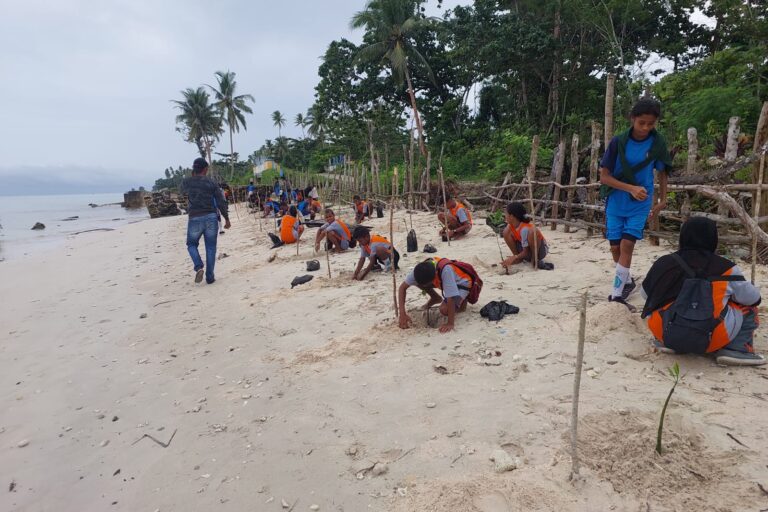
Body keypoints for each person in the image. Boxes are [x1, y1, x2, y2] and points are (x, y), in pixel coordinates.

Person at [641, 218, 764, 366]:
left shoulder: (665, 262)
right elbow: (754, 298)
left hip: (665, 330)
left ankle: (668, 341)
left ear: (683, 237)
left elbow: (645, 295)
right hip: (712, 337)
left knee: (660, 300)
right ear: (714, 240)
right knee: (748, 308)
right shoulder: (726, 267)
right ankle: (737, 349)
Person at [600, 98, 672, 308]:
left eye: (651, 124)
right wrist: (630, 188)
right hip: (616, 200)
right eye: (642, 123)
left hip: (641, 202)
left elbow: (663, 171)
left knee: (627, 243)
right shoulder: (618, 142)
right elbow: (605, 177)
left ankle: (616, 294)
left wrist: (662, 199)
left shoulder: (657, 143)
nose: (646, 128)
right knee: (615, 247)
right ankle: (627, 281)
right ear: (632, 119)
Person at [180, 158, 230, 284]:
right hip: (211, 217)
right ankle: (210, 277)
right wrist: (226, 219)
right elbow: (220, 202)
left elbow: (182, 192)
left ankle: (198, 266)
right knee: (211, 247)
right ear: (206, 169)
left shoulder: (187, 182)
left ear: (194, 169)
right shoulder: (212, 182)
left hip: (194, 217)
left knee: (191, 244)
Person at [398, 257, 479, 334]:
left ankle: (462, 302)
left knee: (444, 310)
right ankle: (435, 298)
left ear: (435, 274)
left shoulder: (446, 271)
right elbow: (402, 288)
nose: (425, 287)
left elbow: (450, 298)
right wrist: (402, 313)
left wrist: (450, 323)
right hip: (447, 280)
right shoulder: (419, 270)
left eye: (428, 284)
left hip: (462, 283)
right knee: (417, 282)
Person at [501, 202, 553, 270]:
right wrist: (515, 256)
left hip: (539, 250)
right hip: (524, 250)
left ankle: (534, 260)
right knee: (505, 232)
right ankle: (519, 258)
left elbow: (526, 252)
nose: (505, 216)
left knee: (533, 232)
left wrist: (514, 257)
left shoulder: (526, 228)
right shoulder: (509, 228)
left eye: (506, 214)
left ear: (511, 216)